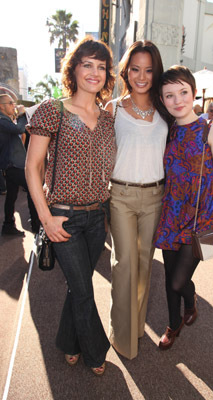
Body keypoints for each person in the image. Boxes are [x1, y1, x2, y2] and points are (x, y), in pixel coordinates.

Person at [25, 36, 115, 376]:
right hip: (63, 217)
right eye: (87, 64)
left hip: (97, 216)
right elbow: (32, 166)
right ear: (74, 69)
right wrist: (46, 218)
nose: (94, 72)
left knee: (79, 286)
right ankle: (96, 352)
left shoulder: (107, 119)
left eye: (101, 67)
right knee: (83, 290)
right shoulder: (54, 109)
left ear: (107, 75)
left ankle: (69, 342)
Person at [154, 65, 213, 350]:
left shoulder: (212, 130)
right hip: (171, 216)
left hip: (201, 218)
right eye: (170, 95)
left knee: (178, 282)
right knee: (167, 279)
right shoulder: (168, 130)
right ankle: (173, 326)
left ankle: (192, 299)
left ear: (194, 93)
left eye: (183, 92)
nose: (178, 100)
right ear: (162, 100)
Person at [105, 40, 168, 360]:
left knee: (145, 266)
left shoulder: (166, 109)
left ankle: (136, 324)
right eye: (135, 69)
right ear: (126, 71)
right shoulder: (112, 108)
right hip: (120, 197)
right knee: (124, 264)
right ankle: (123, 335)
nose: (141, 76)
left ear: (156, 72)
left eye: (148, 70)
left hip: (156, 197)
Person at [0, 94, 39, 235]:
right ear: (1, 106)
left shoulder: (6, 120)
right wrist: (23, 115)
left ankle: (8, 225)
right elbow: (19, 129)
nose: (14, 105)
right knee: (32, 190)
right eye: (10, 103)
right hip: (13, 165)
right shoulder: (2, 120)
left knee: (11, 195)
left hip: (10, 164)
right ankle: (36, 224)